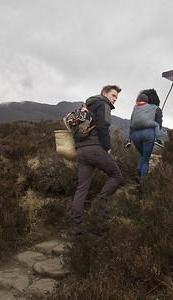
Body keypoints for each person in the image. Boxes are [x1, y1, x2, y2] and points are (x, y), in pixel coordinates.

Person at [70, 85, 123, 234]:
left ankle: (75, 224)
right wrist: (107, 147)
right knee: (116, 175)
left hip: (81, 150)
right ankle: (97, 208)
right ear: (104, 93)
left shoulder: (87, 106)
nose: (114, 99)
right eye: (113, 95)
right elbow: (103, 127)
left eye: (116, 98)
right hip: (95, 148)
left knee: (82, 187)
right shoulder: (103, 104)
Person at [125, 89, 163, 181]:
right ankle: (143, 182)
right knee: (146, 159)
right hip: (148, 134)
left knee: (143, 155)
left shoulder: (136, 108)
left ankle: (138, 173)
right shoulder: (156, 109)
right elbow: (159, 125)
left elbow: (131, 123)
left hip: (134, 135)